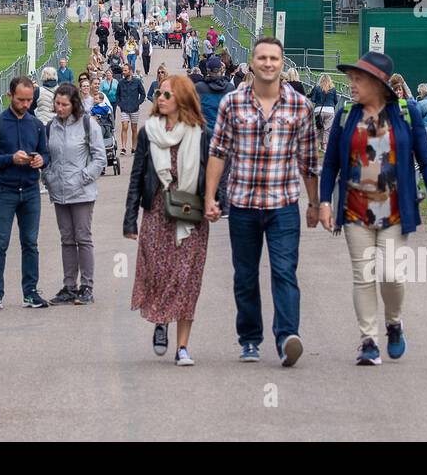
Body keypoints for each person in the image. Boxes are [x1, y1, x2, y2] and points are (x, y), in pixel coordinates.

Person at [318, 52, 427, 367]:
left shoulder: (406, 113)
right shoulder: (346, 114)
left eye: (358, 79)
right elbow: (331, 162)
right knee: (363, 275)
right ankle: (368, 341)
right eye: (351, 79)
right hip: (354, 210)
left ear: (378, 83)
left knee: (391, 274)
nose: (352, 85)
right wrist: (323, 201)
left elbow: (426, 159)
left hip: (393, 211)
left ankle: (394, 321)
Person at [206, 37, 319, 367]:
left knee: (284, 271)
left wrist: (314, 203)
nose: (268, 63)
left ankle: (286, 338)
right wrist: (212, 196)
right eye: (262, 58)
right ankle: (250, 338)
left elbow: (308, 160)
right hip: (242, 204)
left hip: (283, 204)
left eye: (274, 58)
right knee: (245, 274)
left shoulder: (298, 106)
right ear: (252, 63)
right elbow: (218, 153)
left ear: (282, 64)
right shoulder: (233, 103)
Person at [124, 74, 214, 367]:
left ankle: (183, 347)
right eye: (159, 95)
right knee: (159, 273)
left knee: (187, 278)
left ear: (182, 99)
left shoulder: (201, 133)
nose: (160, 99)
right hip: (157, 211)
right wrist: (129, 219)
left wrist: (216, 200)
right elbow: (137, 175)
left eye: (166, 95)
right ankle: (161, 320)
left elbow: (214, 172)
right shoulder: (149, 132)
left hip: (191, 214)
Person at [0, 76, 51, 311]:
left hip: (30, 190)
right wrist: (10, 159)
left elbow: (46, 154)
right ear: (10, 96)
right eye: (21, 100)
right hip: (4, 191)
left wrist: (41, 160)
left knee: (30, 243)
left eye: (29, 100)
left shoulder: (36, 124)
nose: (26, 104)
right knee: (0, 243)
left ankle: (30, 292)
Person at [43, 84, 107, 305]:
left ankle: (87, 286)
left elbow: (100, 158)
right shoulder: (51, 127)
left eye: (64, 104)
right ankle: (69, 286)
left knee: (83, 237)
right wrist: (48, 176)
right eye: (57, 104)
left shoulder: (88, 124)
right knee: (67, 239)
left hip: (81, 192)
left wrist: (83, 178)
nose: (59, 108)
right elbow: (48, 156)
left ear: (74, 104)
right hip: (59, 191)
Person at [193, 56, 232, 134]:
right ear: (221, 69)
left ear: (207, 70)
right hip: (223, 133)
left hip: (204, 133)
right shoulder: (230, 88)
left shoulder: (199, 87)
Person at [115, 62, 147, 155]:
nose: (123, 72)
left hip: (134, 108)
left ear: (130, 71)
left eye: (125, 70)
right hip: (124, 108)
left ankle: (134, 147)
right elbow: (117, 94)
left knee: (134, 128)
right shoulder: (121, 82)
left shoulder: (137, 81)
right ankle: (124, 147)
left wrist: (138, 103)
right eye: (123, 70)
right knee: (124, 126)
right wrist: (120, 104)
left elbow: (143, 93)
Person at [311, 74, 340, 147]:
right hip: (330, 110)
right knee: (327, 129)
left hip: (319, 110)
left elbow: (313, 99)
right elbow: (336, 101)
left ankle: (314, 143)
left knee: (319, 127)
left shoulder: (317, 88)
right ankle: (324, 144)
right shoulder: (333, 89)